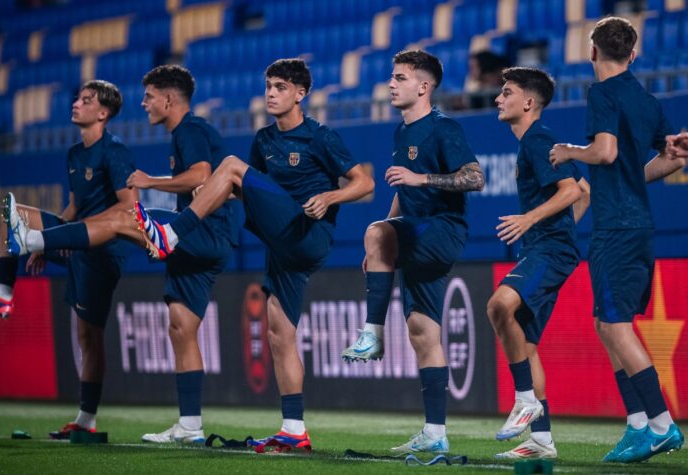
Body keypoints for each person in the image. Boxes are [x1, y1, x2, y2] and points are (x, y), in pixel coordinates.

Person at [134, 58, 374, 452]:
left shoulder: (321, 137)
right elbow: (250, 189)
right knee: (280, 334)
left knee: (228, 165)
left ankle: (172, 233)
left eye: (280, 87)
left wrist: (330, 196)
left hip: (307, 230)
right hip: (283, 244)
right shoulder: (264, 140)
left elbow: (364, 182)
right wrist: (216, 191)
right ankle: (294, 430)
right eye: (268, 87)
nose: (271, 94)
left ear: (301, 94)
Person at [4, 65, 237, 444]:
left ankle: (33, 241)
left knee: (123, 217)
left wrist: (150, 180)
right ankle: (191, 427)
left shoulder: (191, 129)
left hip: (203, 232)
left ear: (169, 99)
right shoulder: (180, 134)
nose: (143, 102)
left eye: (149, 96)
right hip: (200, 242)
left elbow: (201, 175)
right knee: (181, 328)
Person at [550, 17, 685, 463]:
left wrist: (570, 151)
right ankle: (637, 424)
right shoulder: (645, 98)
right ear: (633, 54)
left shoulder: (602, 93)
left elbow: (605, 151)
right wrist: (632, 175)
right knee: (606, 324)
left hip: (615, 230)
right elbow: (672, 158)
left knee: (615, 326)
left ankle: (662, 426)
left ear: (592, 52)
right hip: (637, 225)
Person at [0, 80, 137, 438]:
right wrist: (46, 243)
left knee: (89, 335)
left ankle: (87, 421)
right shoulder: (75, 153)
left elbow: (129, 207)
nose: (76, 103)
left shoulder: (115, 151)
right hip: (76, 242)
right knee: (8, 209)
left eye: (86, 100)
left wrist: (68, 235)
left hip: (104, 250)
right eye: (78, 98)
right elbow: (74, 206)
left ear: (103, 113)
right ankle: (2, 293)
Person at [341, 50, 484, 453]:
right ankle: (436, 434)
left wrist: (420, 180)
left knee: (376, 232)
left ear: (423, 87)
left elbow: (476, 177)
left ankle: (371, 334)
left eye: (400, 77)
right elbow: (403, 197)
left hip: (442, 230)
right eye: (392, 77)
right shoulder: (401, 132)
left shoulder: (444, 128)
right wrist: (382, 242)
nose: (391, 83)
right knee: (423, 333)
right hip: (416, 234)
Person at [489, 67, 590, 459]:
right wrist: (563, 231)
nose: (498, 98)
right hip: (549, 246)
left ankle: (525, 399)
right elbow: (583, 190)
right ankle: (542, 440)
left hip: (547, 250)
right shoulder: (533, 142)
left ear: (529, 103)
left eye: (507, 92)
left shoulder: (537, 139)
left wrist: (533, 221)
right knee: (526, 345)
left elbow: (567, 191)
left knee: (498, 305)